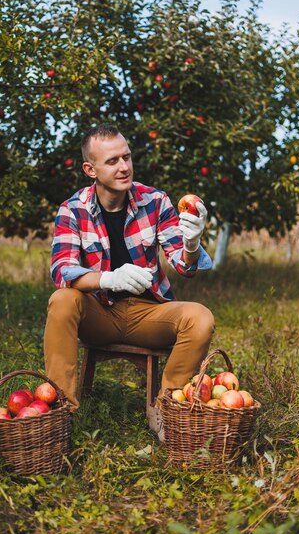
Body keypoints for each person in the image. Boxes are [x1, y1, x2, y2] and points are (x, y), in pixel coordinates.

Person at [44, 123, 214, 441]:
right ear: (90, 169)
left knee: (200, 316)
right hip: (100, 313)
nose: (124, 167)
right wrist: (106, 278)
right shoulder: (73, 210)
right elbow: (61, 271)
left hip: (147, 313)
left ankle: (167, 407)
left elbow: (183, 264)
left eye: (127, 157)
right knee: (62, 300)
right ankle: (61, 414)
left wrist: (192, 245)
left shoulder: (155, 201)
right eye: (112, 161)